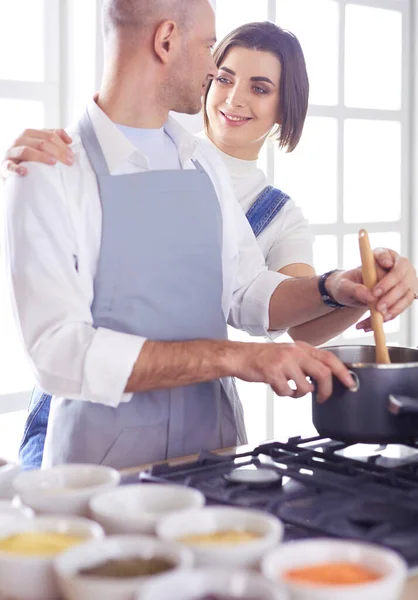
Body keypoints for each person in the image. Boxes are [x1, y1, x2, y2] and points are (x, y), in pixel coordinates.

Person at [2, 1, 413, 470]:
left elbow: (245, 290)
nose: (215, 69)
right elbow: (59, 354)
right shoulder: (47, 171)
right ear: (166, 40)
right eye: (209, 48)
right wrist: (236, 357)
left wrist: (335, 286)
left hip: (214, 458)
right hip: (99, 477)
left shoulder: (204, 163)